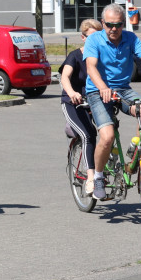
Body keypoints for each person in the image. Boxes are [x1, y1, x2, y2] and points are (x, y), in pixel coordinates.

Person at [84, 2, 141, 200]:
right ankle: (98, 177)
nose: (114, 29)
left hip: (123, 90)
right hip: (97, 91)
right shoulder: (94, 39)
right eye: (109, 25)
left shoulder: (130, 38)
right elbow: (91, 67)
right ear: (103, 23)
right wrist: (103, 87)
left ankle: (139, 155)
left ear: (124, 24)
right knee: (107, 137)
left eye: (118, 24)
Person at [60, 18, 103, 194]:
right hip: (74, 102)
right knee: (88, 135)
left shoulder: (102, 55)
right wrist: (72, 93)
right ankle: (91, 179)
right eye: (90, 37)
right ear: (83, 38)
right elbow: (64, 77)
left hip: (95, 100)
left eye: (98, 36)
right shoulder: (75, 56)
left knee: (109, 133)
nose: (95, 40)